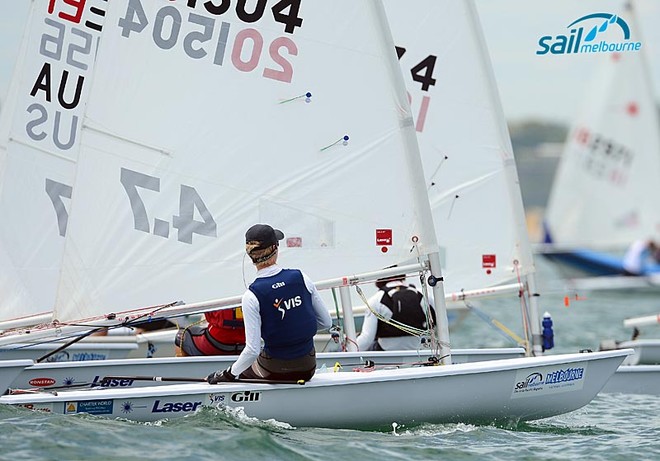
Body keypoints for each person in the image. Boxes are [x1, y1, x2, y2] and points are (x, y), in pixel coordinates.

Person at [206, 224, 332, 384]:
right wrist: (294, 328)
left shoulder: (251, 296)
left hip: (274, 369)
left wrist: (227, 374)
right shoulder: (301, 277)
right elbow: (326, 322)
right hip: (308, 367)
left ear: (250, 255)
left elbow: (252, 350)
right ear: (275, 249)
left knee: (242, 372)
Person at [356, 274, 434, 351]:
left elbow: (366, 339)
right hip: (420, 351)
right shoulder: (423, 295)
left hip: (387, 353)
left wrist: (349, 350)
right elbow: (438, 324)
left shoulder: (376, 300)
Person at [174, 308, 246, 356]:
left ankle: (189, 375)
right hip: (250, 342)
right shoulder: (254, 288)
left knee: (181, 336)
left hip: (216, 342)